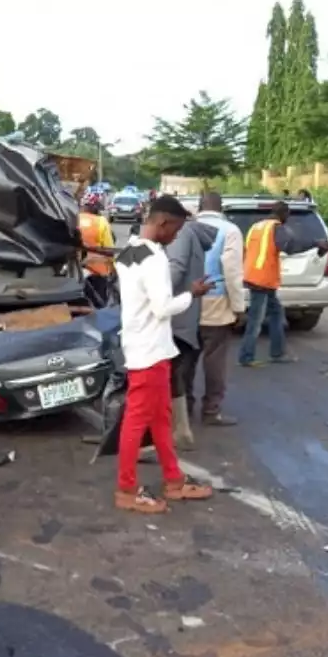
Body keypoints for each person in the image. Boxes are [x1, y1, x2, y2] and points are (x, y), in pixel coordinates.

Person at [113, 196, 214, 514]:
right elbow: (162, 307)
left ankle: (173, 480)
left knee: (160, 418)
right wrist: (192, 294)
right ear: (163, 223)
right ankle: (127, 489)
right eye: (176, 229)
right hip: (149, 350)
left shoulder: (130, 251)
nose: (176, 237)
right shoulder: (154, 258)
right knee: (137, 420)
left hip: (143, 345)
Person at [237, 201, 328, 367]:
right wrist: (316, 242)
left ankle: (277, 353)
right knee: (256, 320)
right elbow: (290, 247)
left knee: (276, 314)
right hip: (263, 279)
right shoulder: (276, 228)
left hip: (254, 276)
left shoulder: (256, 227)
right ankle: (246, 356)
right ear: (284, 214)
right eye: (288, 215)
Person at [164, 197, 220, 444]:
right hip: (185, 315)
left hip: (175, 317)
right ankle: (181, 429)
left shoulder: (182, 235)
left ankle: (177, 430)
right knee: (179, 375)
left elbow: (174, 271)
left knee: (173, 376)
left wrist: (148, 294)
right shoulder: (190, 234)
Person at [191, 192, 244, 426]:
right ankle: (211, 410)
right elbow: (232, 271)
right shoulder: (230, 230)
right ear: (221, 207)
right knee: (215, 360)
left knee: (186, 359)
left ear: (199, 206)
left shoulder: (187, 228)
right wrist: (239, 306)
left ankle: (183, 408)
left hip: (188, 300)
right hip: (217, 300)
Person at [79, 194, 116, 304]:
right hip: (97, 272)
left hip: (74, 271)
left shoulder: (72, 218)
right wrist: (113, 268)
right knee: (99, 305)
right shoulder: (100, 222)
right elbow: (109, 249)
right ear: (95, 207)